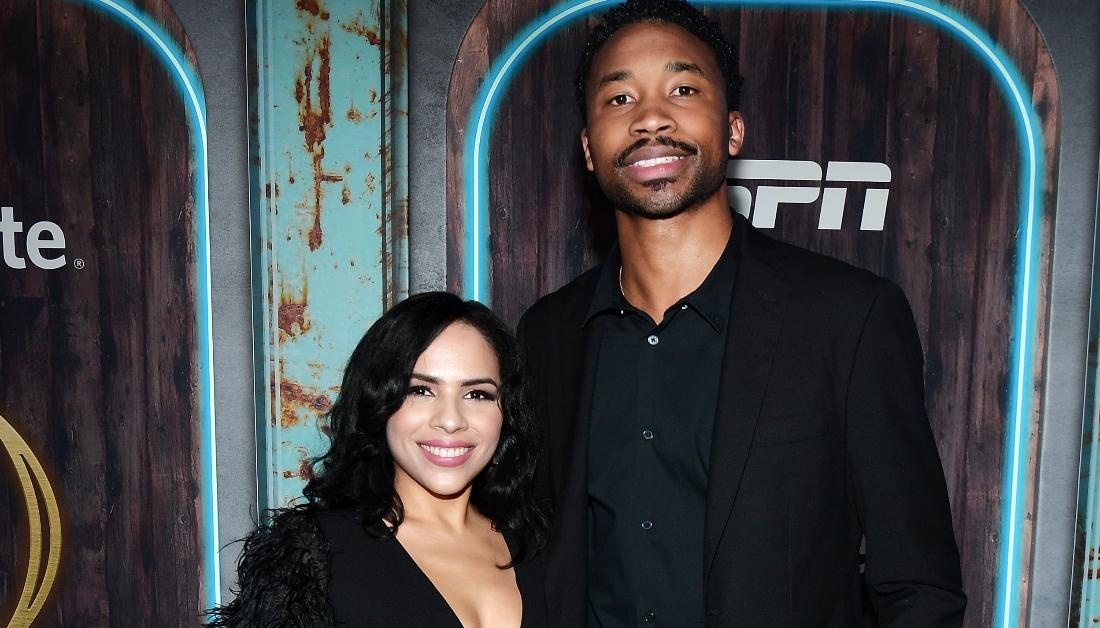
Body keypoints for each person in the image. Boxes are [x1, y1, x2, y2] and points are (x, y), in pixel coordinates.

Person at [516, 1, 966, 626]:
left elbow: (919, 587)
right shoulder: (548, 335)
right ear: (589, 148)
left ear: (732, 130)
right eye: (620, 99)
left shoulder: (849, 318)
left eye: (682, 88)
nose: (650, 117)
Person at [208, 292, 547, 627]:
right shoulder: (316, 557)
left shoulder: (540, 545)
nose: (450, 419)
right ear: (379, 403)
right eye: (421, 390)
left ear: (507, 412)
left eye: (476, 394)